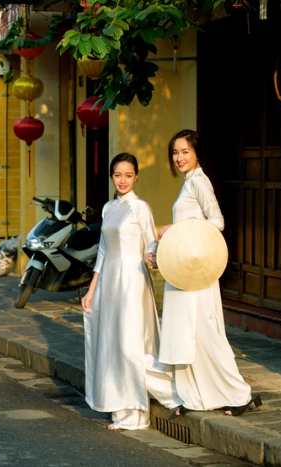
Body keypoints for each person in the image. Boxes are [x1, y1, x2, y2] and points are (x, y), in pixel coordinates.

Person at [156, 129, 260, 417]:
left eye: (185, 151)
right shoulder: (190, 182)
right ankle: (196, 397)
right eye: (175, 152)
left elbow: (218, 221)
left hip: (197, 273)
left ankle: (238, 394)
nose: (179, 157)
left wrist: (174, 229)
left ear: (197, 154)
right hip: (185, 270)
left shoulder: (200, 182)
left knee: (205, 332)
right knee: (191, 335)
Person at [80, 153, 183, 430]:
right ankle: (121, 411)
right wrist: (92, 290)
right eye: (117, 175)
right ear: (112, 176)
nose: (123, 180)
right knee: (112, 345)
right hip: (109, 282)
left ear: (136, 176)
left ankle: (142, 412)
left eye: (128, 175)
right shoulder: (108, 208)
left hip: (132, 280)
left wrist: (152, 256)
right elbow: (103, 251)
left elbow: (151, 242)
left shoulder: (140, 207)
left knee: (129, 345)